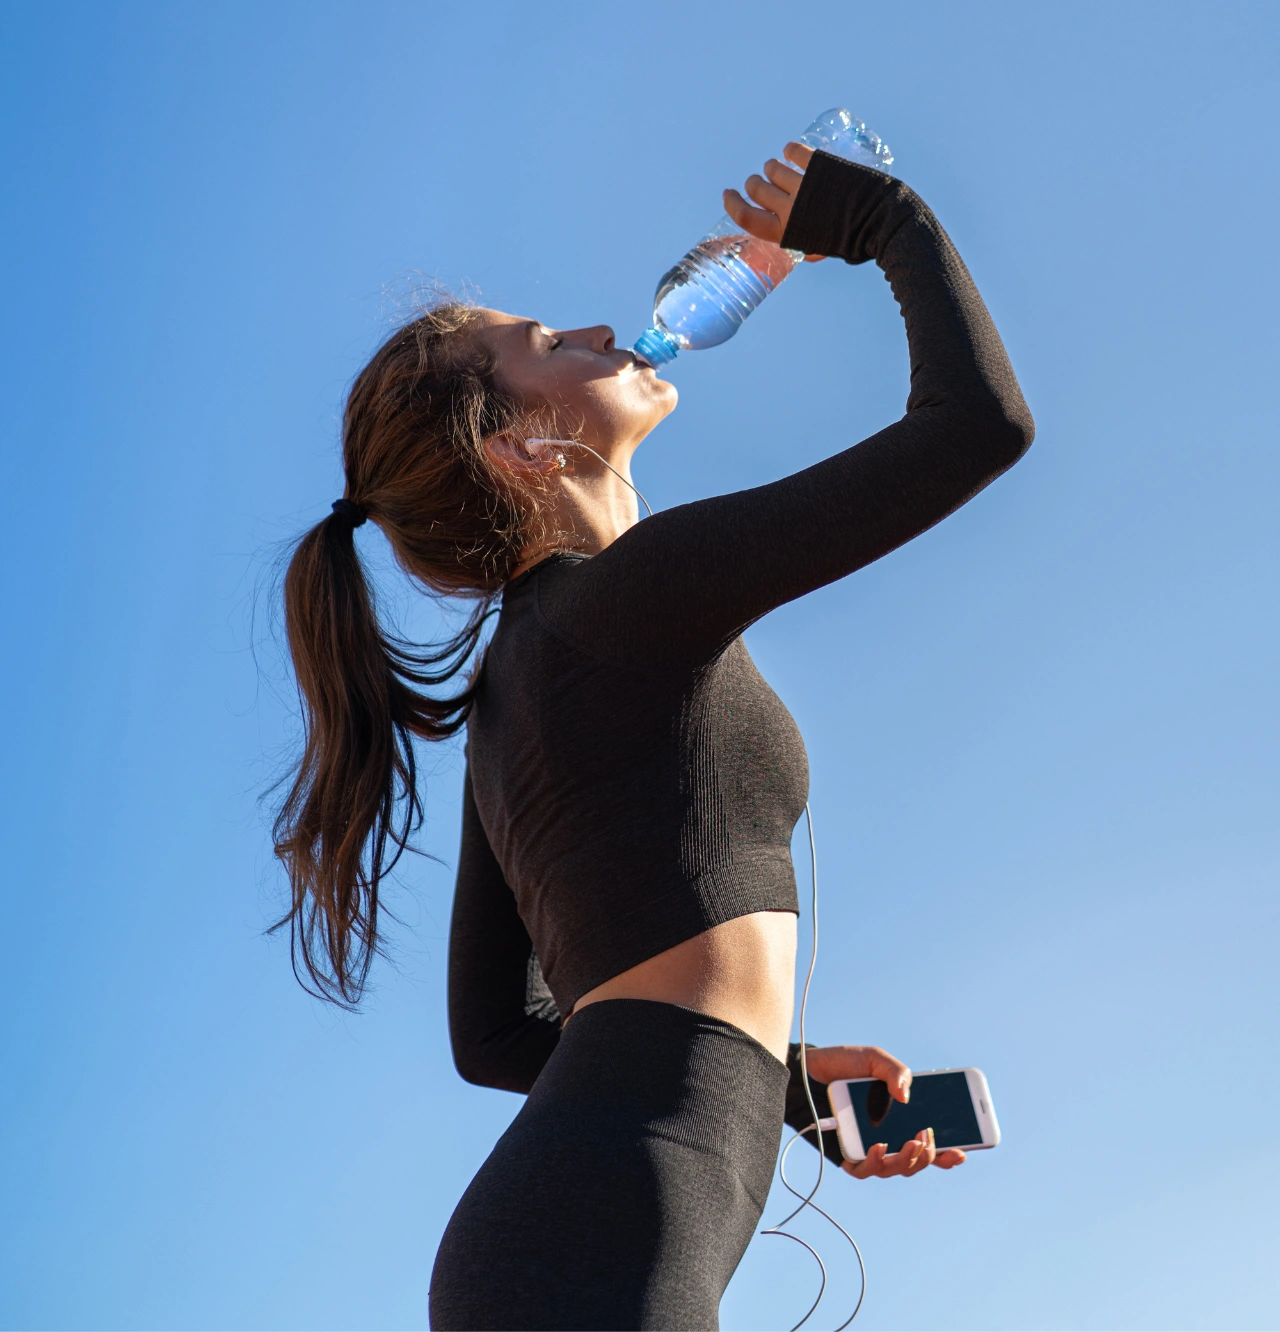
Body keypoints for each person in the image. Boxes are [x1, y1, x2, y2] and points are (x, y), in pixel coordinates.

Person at [275, 141, 1034, 1331]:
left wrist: (785, 1085)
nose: (590, 326)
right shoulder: (617, 599)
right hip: (589, 1246)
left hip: (565, 1236)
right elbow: (976, 426)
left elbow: (492, 1034)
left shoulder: (516, 692)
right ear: (521, 447)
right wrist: (885, 215)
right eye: (545, 344)